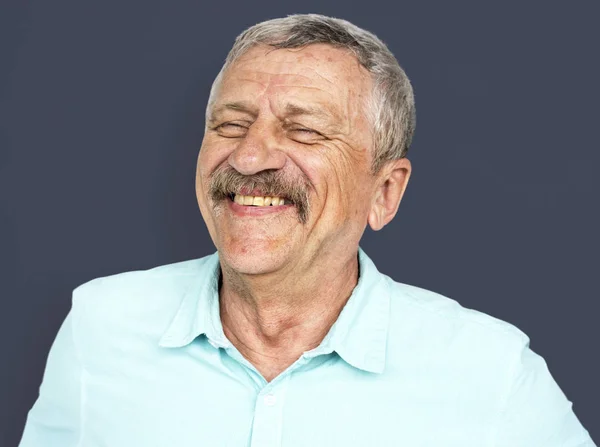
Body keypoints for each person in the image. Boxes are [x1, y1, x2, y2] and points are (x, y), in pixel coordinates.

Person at [19, 13, 595, 447]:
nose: (249, 157)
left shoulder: (491, 375)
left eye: (305, 132)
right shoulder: (100, 327)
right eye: (232, 123)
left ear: (385, 192)